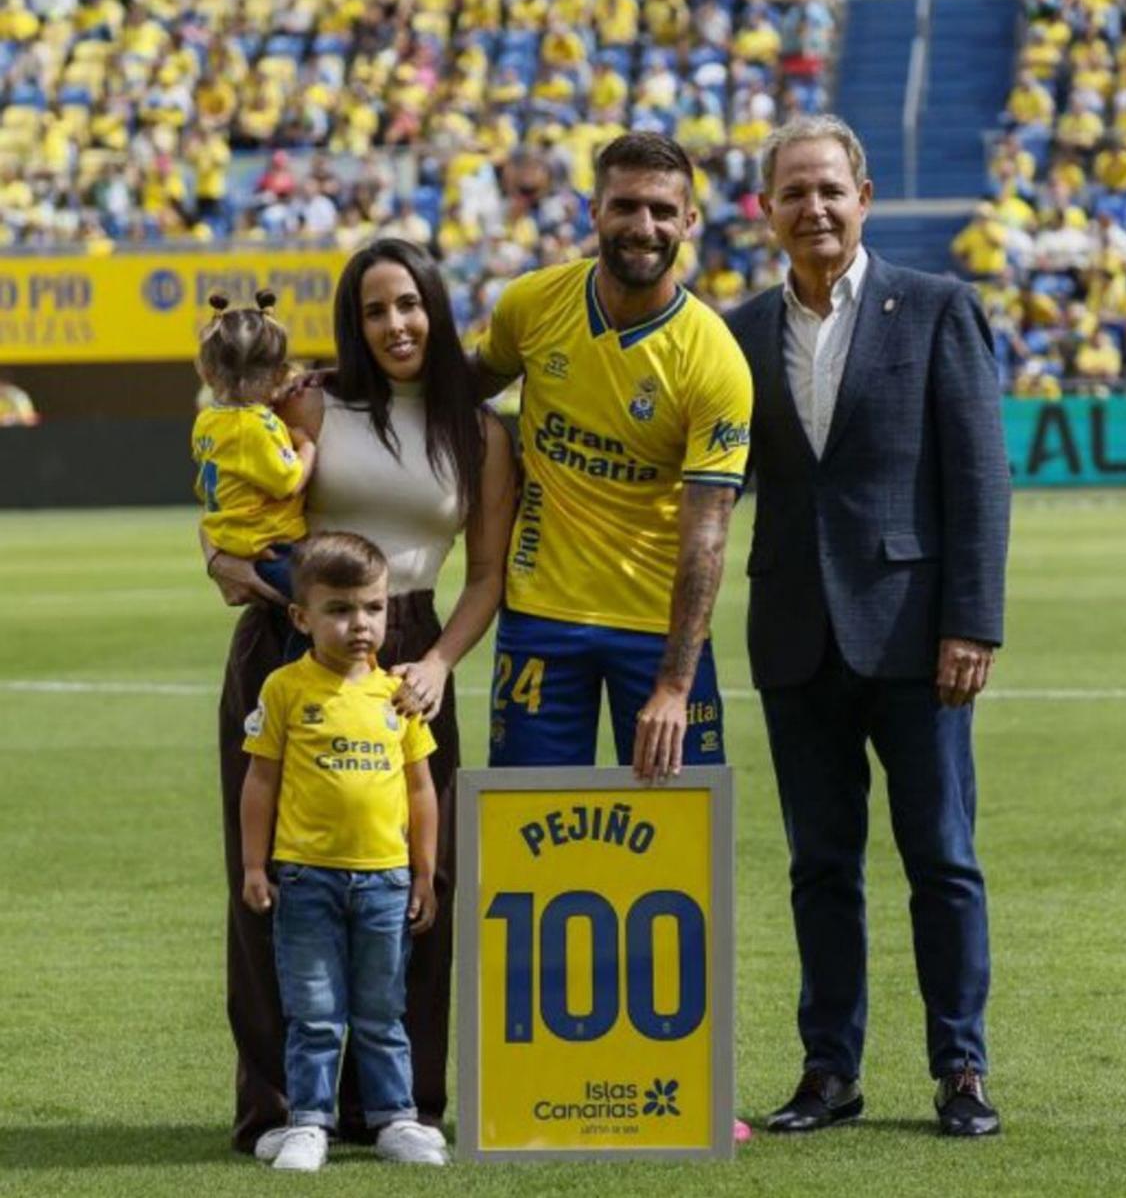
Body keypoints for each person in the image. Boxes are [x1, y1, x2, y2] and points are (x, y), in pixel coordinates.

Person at [725, 116, 1011, 1137]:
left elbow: (979, 479)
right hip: (796, 638)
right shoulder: (740, 329)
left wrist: (971, 621)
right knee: (820, 866)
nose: (813, 208)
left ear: (865, 195)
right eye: (793, 192)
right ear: (767, 211)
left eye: (829, 190)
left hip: (917, 638)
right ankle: (829, 1068)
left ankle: (962, 1067)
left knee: (940, 856)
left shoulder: (937, 307)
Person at [203, 237, 516, 1154]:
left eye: (410, 303)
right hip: (287, 643)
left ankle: (398, 1106)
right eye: (375, 308)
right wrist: (217, 555)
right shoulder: (307, 399)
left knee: (419, 880)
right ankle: (278, 1107)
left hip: (412, 655)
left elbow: (488, 573)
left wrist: (443, 660)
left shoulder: (482, 430)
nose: (395, 323)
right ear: (354, 319)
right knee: (269, 878)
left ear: (437, 308)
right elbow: (233, 505)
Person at [476, 131, 753, 781]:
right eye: (625, 206)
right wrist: (340, 385)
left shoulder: (713, 358)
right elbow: (459, 388)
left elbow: (707, 534)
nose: (643, 225)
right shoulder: (531, 305)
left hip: (656, 629)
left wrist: (675, 687)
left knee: (679, 846)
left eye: (662, 210)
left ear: (689, 219)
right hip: (540, 615)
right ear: (592, 211)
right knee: (526, 830)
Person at [241, 532, 447, 1172]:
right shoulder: (284, 690)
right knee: (314, 1010)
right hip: (306, 881)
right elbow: (261, 782)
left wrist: (424, 875)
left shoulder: (399, 696)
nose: (361, 624)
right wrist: (254, 866)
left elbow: (420, 789)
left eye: (374, 607)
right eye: (340, 610)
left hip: (385, 882)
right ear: (302, 618)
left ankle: (395, 1119)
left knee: (384, 1006)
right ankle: (309, 1122)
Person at [192, 289, 314, 603]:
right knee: (319, 606)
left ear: (206, 371)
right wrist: (307, 448)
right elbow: (288, 483)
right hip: (270, 549)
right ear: (278, 373)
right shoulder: (254, 425)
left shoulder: (207, 419)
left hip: (230, 541)